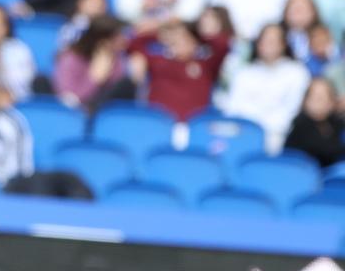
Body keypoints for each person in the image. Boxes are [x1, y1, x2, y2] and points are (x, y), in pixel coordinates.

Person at [217, 23, 311, 152]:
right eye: (264, 40)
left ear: (283, 44)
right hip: (244, 134)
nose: (268, 45)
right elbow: (234, 108)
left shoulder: (297, 73)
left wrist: (265, 129)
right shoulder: (244, 73)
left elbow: (292, 110)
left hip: (280, 136)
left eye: (273, 41)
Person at [125, 16, 231, 121]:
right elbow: (133, 44)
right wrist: (160, 32)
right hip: (160, 123)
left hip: (192, 126)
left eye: (186, 39)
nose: (181, 43)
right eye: (177, 40)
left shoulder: (206, 66)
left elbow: (223, 45)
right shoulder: (159, 62)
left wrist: (198, 33)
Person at [285, 77, 345, 168]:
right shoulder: (299, 124)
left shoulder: (336, 123)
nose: (317, 102)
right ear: (305, 101)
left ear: (332, 102)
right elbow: (323, 150)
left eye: (322, 97)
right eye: (314, 97)